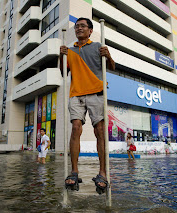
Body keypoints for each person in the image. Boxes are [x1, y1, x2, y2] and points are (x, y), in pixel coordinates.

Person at [60, 17, 115, 194]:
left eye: (83, 26)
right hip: (76, 94)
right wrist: (60, 56)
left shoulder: (98, 46)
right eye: (77, 27)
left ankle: (102, 173)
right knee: (76, 128)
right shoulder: (70, 50)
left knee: (99, 130)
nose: (79, 28)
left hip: (96, 92)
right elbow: (63, 72)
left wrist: (108, 56)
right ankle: (74, 171)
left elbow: (112, 68)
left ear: (90, 30)